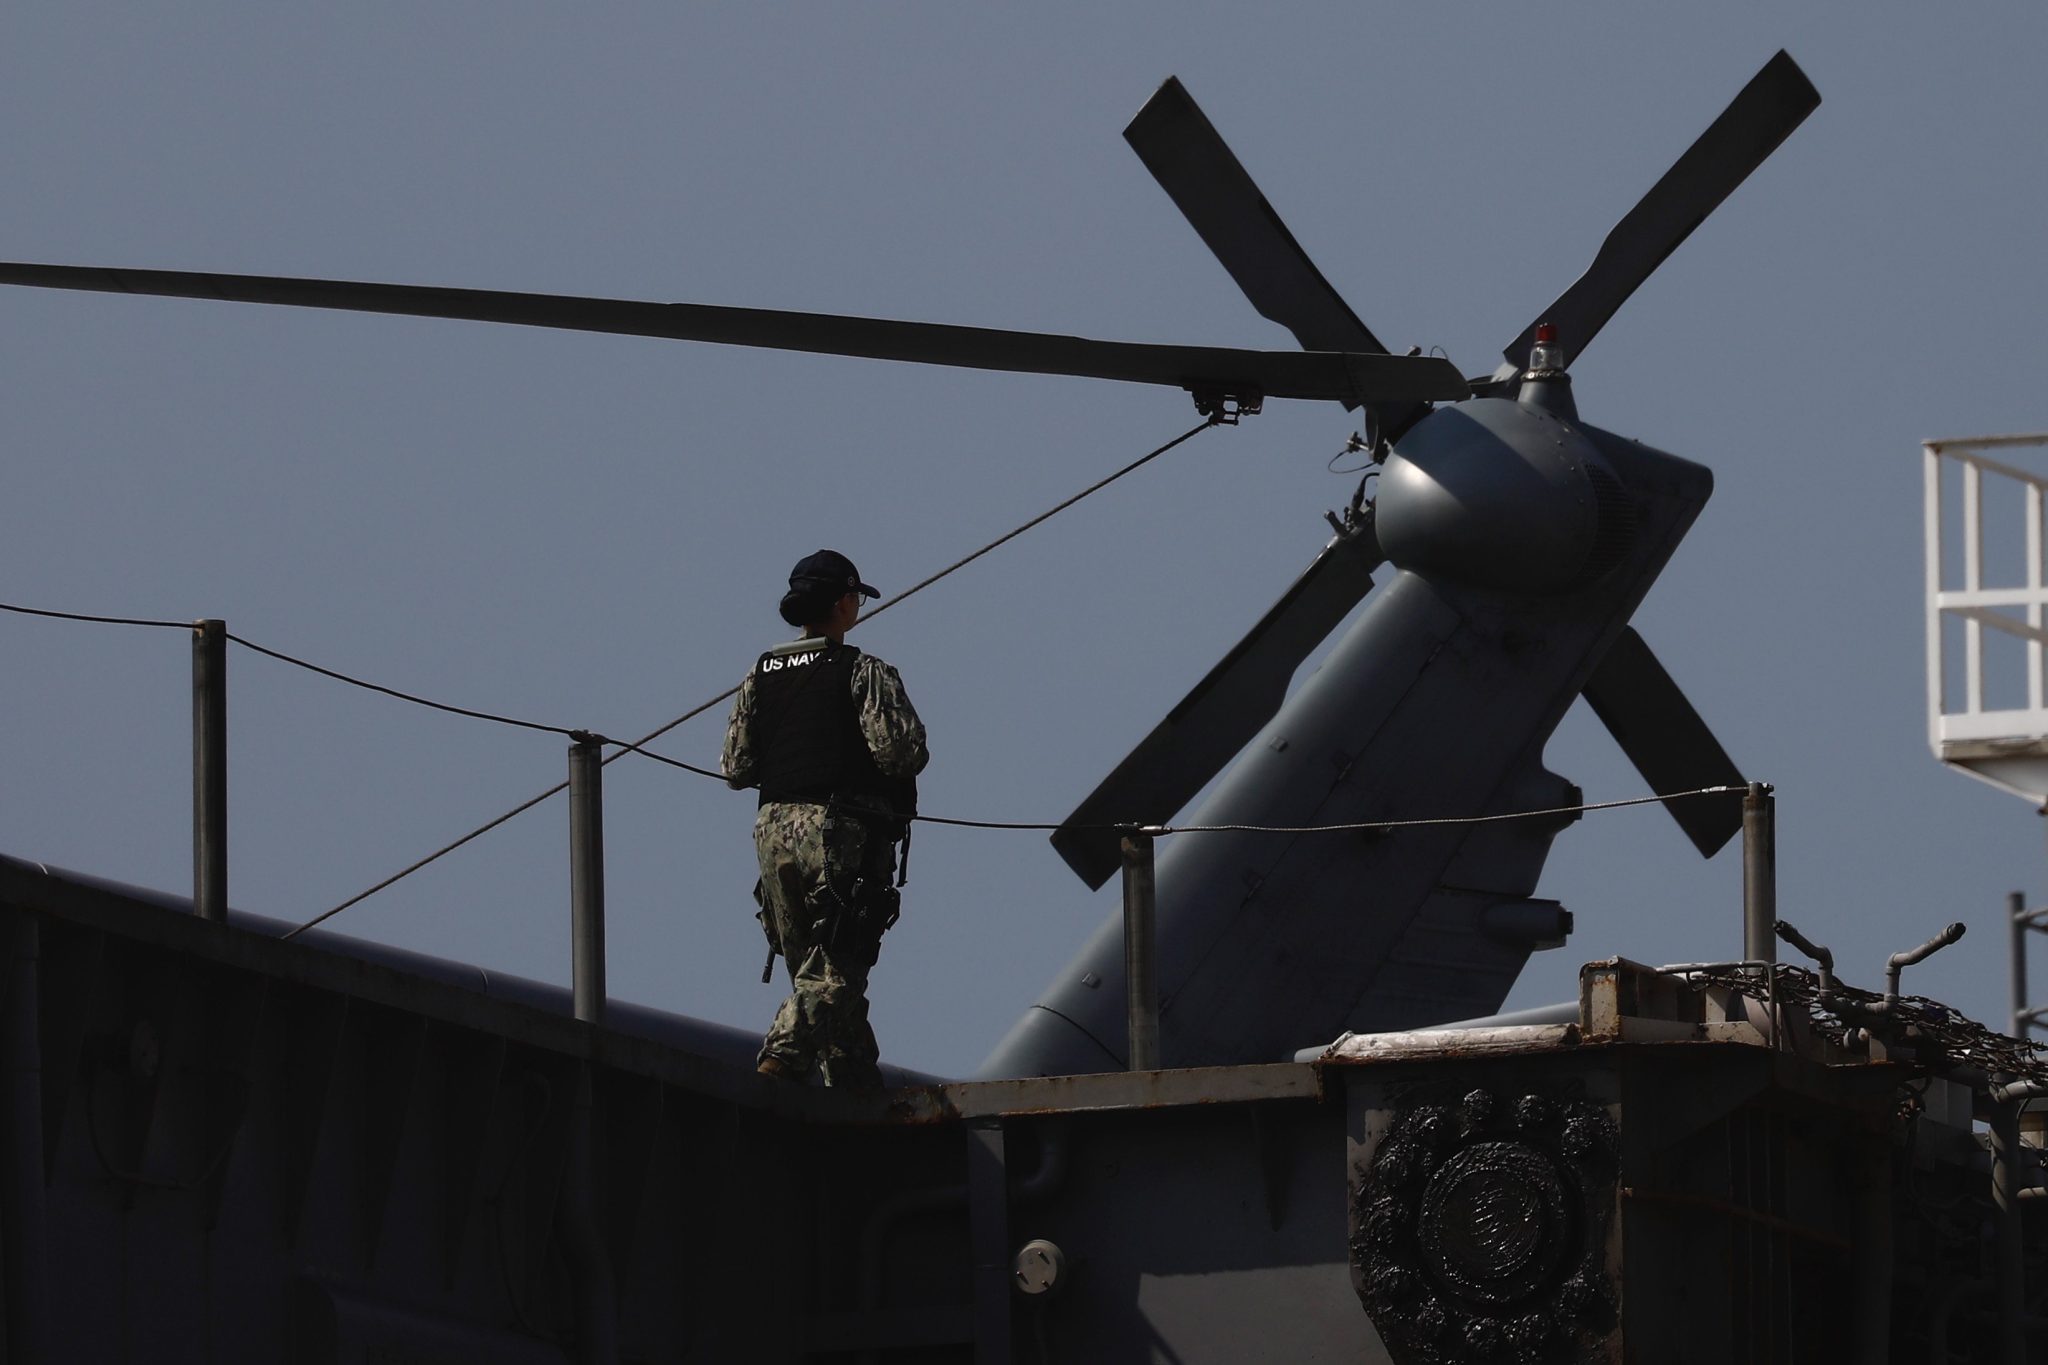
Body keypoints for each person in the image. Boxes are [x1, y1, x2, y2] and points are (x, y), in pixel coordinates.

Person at [721, 550, 928, 1088]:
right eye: (856, 597)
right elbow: (900, 753)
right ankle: (780, 1058)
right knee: (836, 964)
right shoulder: (863, 670)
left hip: (772, 832)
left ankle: (852, 1082)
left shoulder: (760, 673)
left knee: (812, 970)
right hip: (840, 835)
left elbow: (736, 767)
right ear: (842, 603)